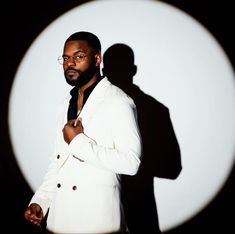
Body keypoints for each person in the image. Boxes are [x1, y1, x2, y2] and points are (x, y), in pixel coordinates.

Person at [24, 31, 142, 234]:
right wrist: (41, 202)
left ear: (97, 59)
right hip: (60, 220)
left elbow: (131, 163)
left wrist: (78, 142)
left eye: (78, 56)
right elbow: (58, 162)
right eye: (66, 58)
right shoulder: (65, 104)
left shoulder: (118, 101)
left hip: (98, 221)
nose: (70, 63)